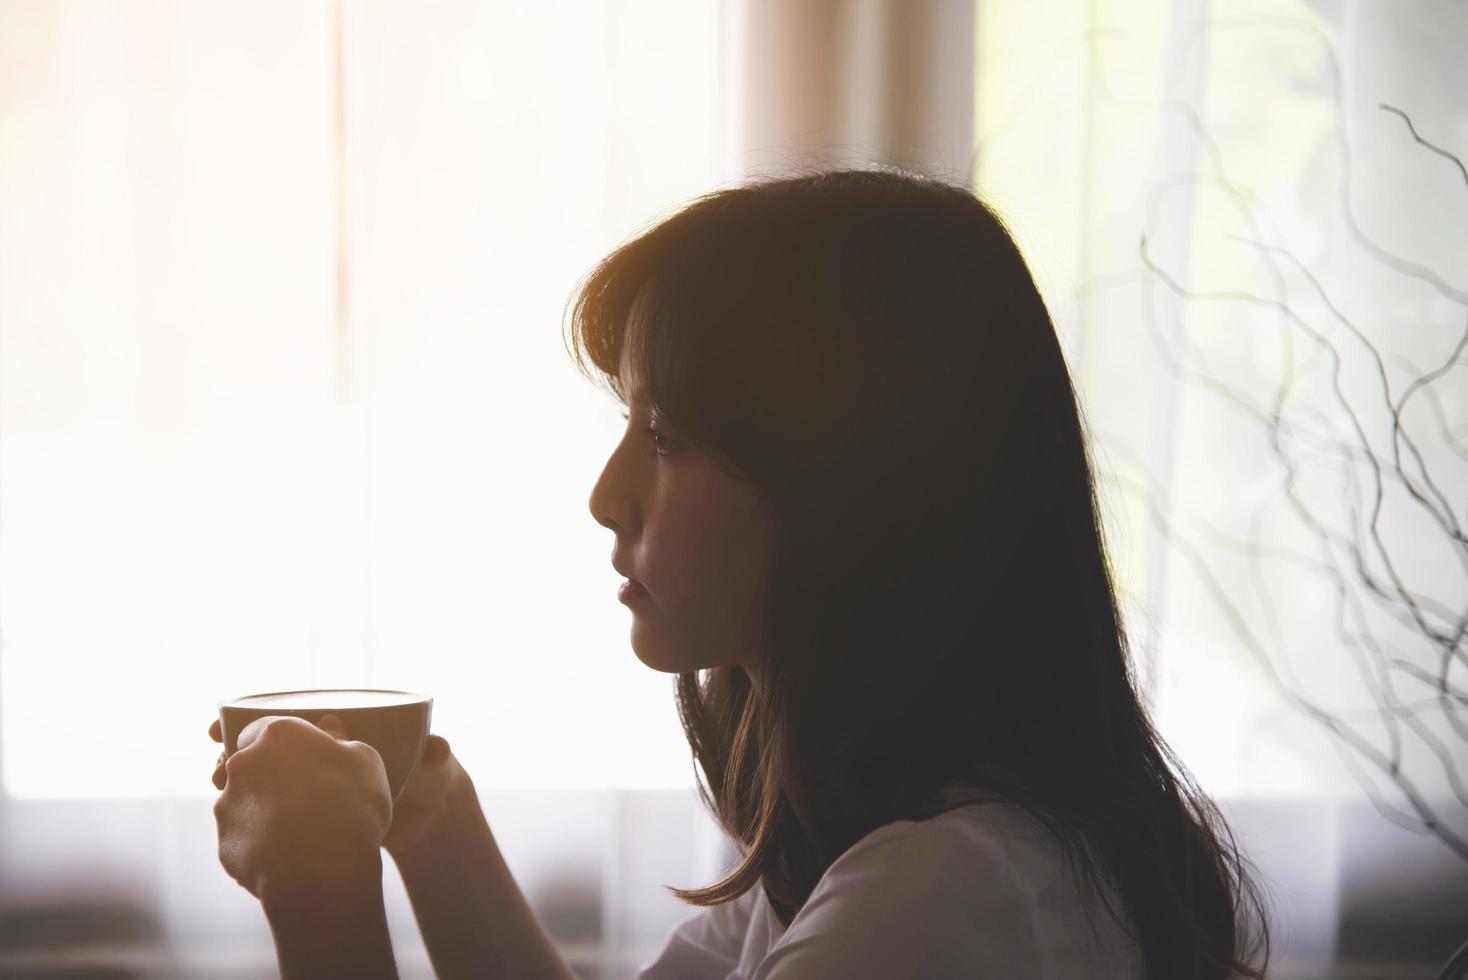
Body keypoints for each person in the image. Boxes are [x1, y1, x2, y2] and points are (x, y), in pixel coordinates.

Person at [208, 168, 1272, 979]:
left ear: (846, 483)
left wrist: (321, 888)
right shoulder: (892, 838)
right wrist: (432, 823)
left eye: (664, 434)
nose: (606, 495)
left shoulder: (931, 906)